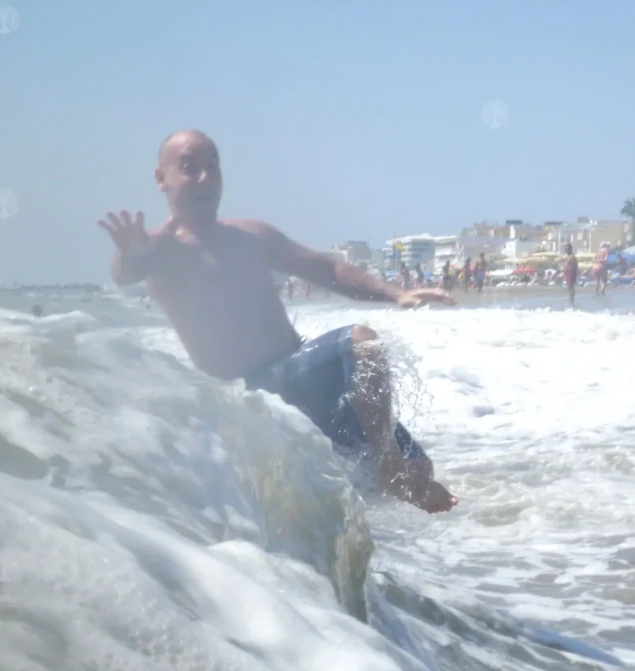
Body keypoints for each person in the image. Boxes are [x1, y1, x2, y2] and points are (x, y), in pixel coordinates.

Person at [97, 130, 458, 514]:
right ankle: (386, 465)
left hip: (305, 376)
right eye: (188, 167)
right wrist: (130, 253)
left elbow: (327, 268)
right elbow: (126, 272)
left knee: (420, 476)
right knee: (362, 342)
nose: (204, 178)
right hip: (253, 396)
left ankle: (453, 556)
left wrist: (394, 293)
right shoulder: (159, 249)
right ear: (160, 179)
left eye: (212, 167)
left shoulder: (251, 235)